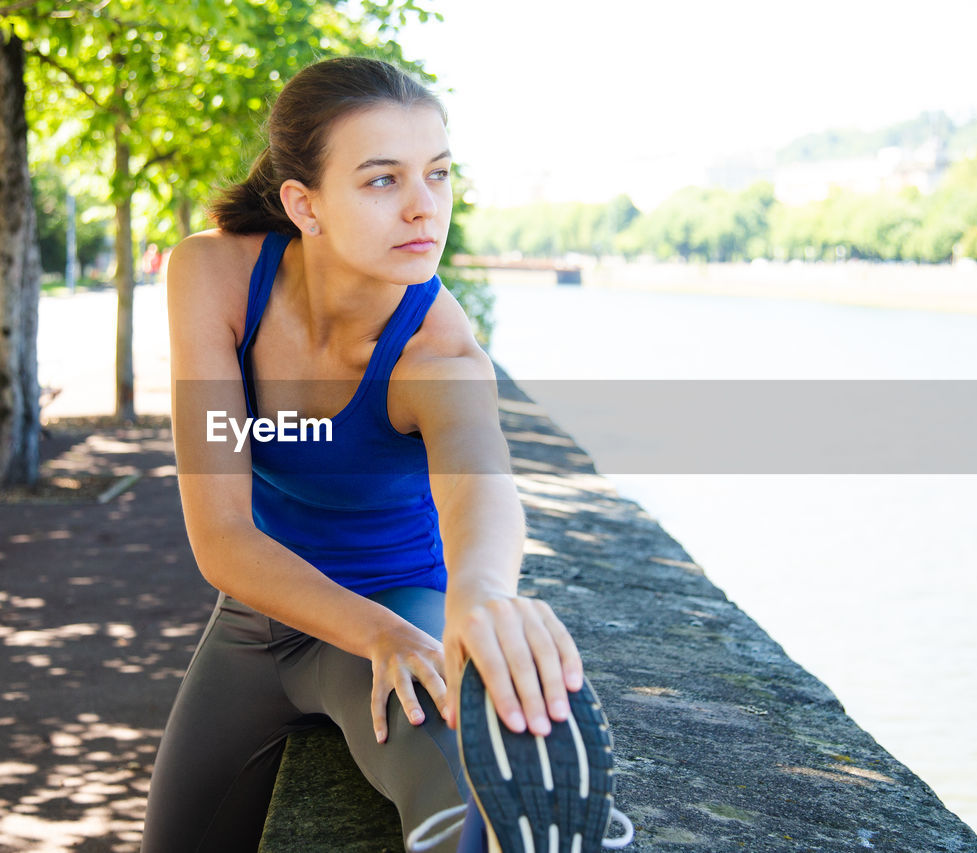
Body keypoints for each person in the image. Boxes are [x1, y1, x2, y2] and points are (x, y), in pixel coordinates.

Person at [142, 56, 632, 853]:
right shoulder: (217, 276)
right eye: (382, 181)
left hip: (403, 604)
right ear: (306, 204)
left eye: (437, 175)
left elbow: (482, 489)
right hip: (259, 619)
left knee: (454, 814)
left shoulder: (437, 351)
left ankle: (538, 819)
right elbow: (222, 533)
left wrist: (476, 600)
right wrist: (371, 633)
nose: (423, 208)